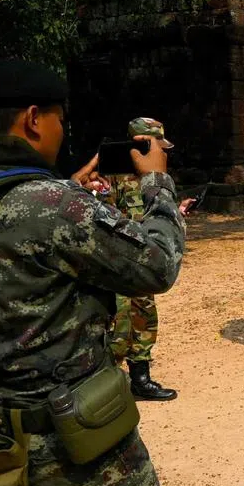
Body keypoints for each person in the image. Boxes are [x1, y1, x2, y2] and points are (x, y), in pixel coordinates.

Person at [0, 59, 184, 486]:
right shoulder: (51, 204)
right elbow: (157, 265)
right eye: (58, 118)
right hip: (77, 432)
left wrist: (66, 191)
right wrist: (158, 185)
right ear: (33, 119)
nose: (62, 129)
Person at [99, 117, 181, 400]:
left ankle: (141, 378)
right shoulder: (108, 176)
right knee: (119, 323)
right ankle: (105, 384)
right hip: (118, 262)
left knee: (145, 317)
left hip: (144, 257)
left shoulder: (153, 177)